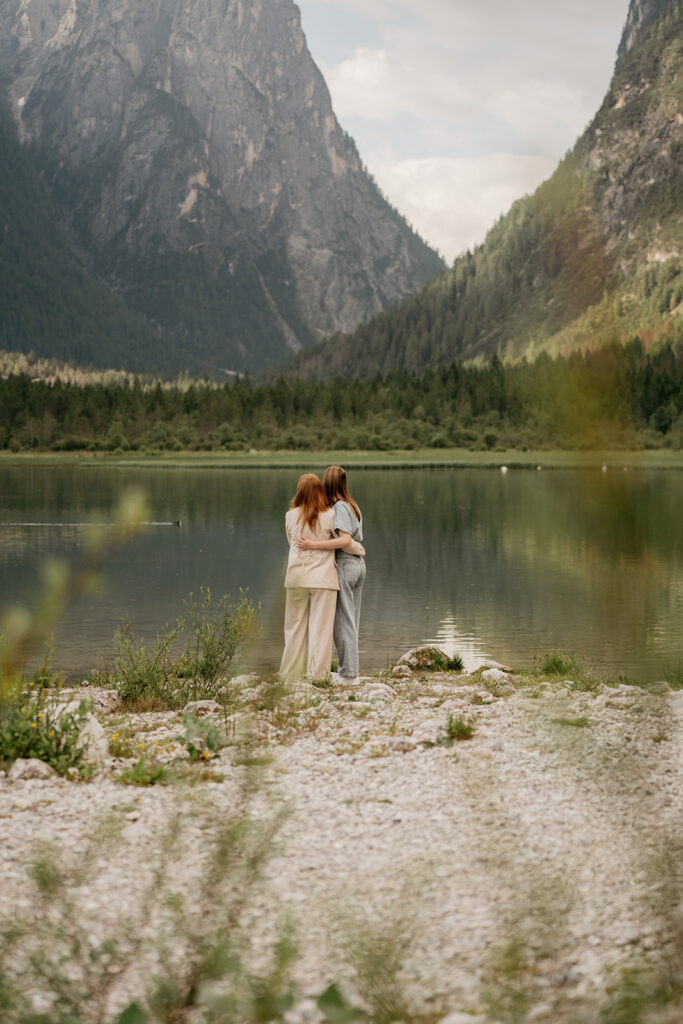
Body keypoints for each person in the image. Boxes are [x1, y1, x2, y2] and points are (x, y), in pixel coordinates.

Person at [280, 473, 364, 681]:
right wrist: (359, 549)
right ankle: (318, 675)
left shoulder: (290, 516)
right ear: (319, 491)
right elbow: (344, 542)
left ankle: (289, 674)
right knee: (321, 629)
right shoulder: (329, 515)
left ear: (299, 492)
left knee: (294, 628)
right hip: (323, 580)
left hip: (297, 578)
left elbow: (291, 542)